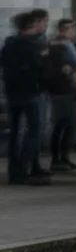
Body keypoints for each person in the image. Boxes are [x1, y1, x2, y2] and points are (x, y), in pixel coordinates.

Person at [2, 13, 50, 186]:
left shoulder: (8, 44)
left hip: (12, 93)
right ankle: (27, 170)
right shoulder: (35, 45)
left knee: (15, 134)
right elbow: (41, 68)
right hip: (32, 93)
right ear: (31, 25)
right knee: (34, 133)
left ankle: (15, 173)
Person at [46, 19, 76, 171]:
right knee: (63, 124)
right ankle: (58, 159)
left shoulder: (70, 45)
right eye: (71, 29)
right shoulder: (57, 46)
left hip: (70, 88)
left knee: (68, 125)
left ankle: (64, 157)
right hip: (61, 89)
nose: (74, 32)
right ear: (64, 30)